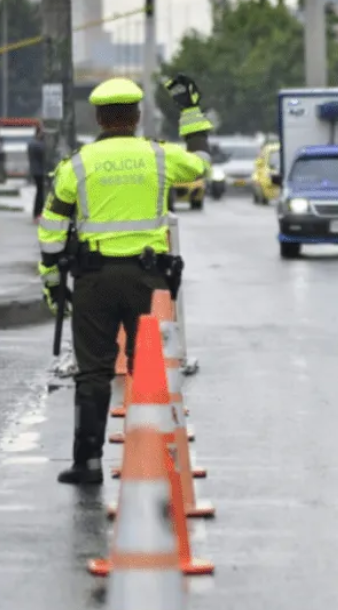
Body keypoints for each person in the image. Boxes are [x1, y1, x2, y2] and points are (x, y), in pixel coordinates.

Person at [37, 74, 213, 485]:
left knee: (93, 372)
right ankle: (152, 458)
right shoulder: (159, 156)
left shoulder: (78, 164)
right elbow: (202, 164)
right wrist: (190, 111)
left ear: (98, 118)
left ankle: (87, 463)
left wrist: (52, 281)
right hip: (149, 281)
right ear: (136, 116)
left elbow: (51, 228)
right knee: (150, 369)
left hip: (94, 281)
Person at [28, 127, 47, 222]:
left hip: (35, 170)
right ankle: (38, 213)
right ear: (38, 133)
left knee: (39, 192)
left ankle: (37, 213)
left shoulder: (31, 143)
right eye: (42, 133)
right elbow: (44, 151)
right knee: (40, 193)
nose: (43, 135)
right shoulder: (38, 144)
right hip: (39, 171)